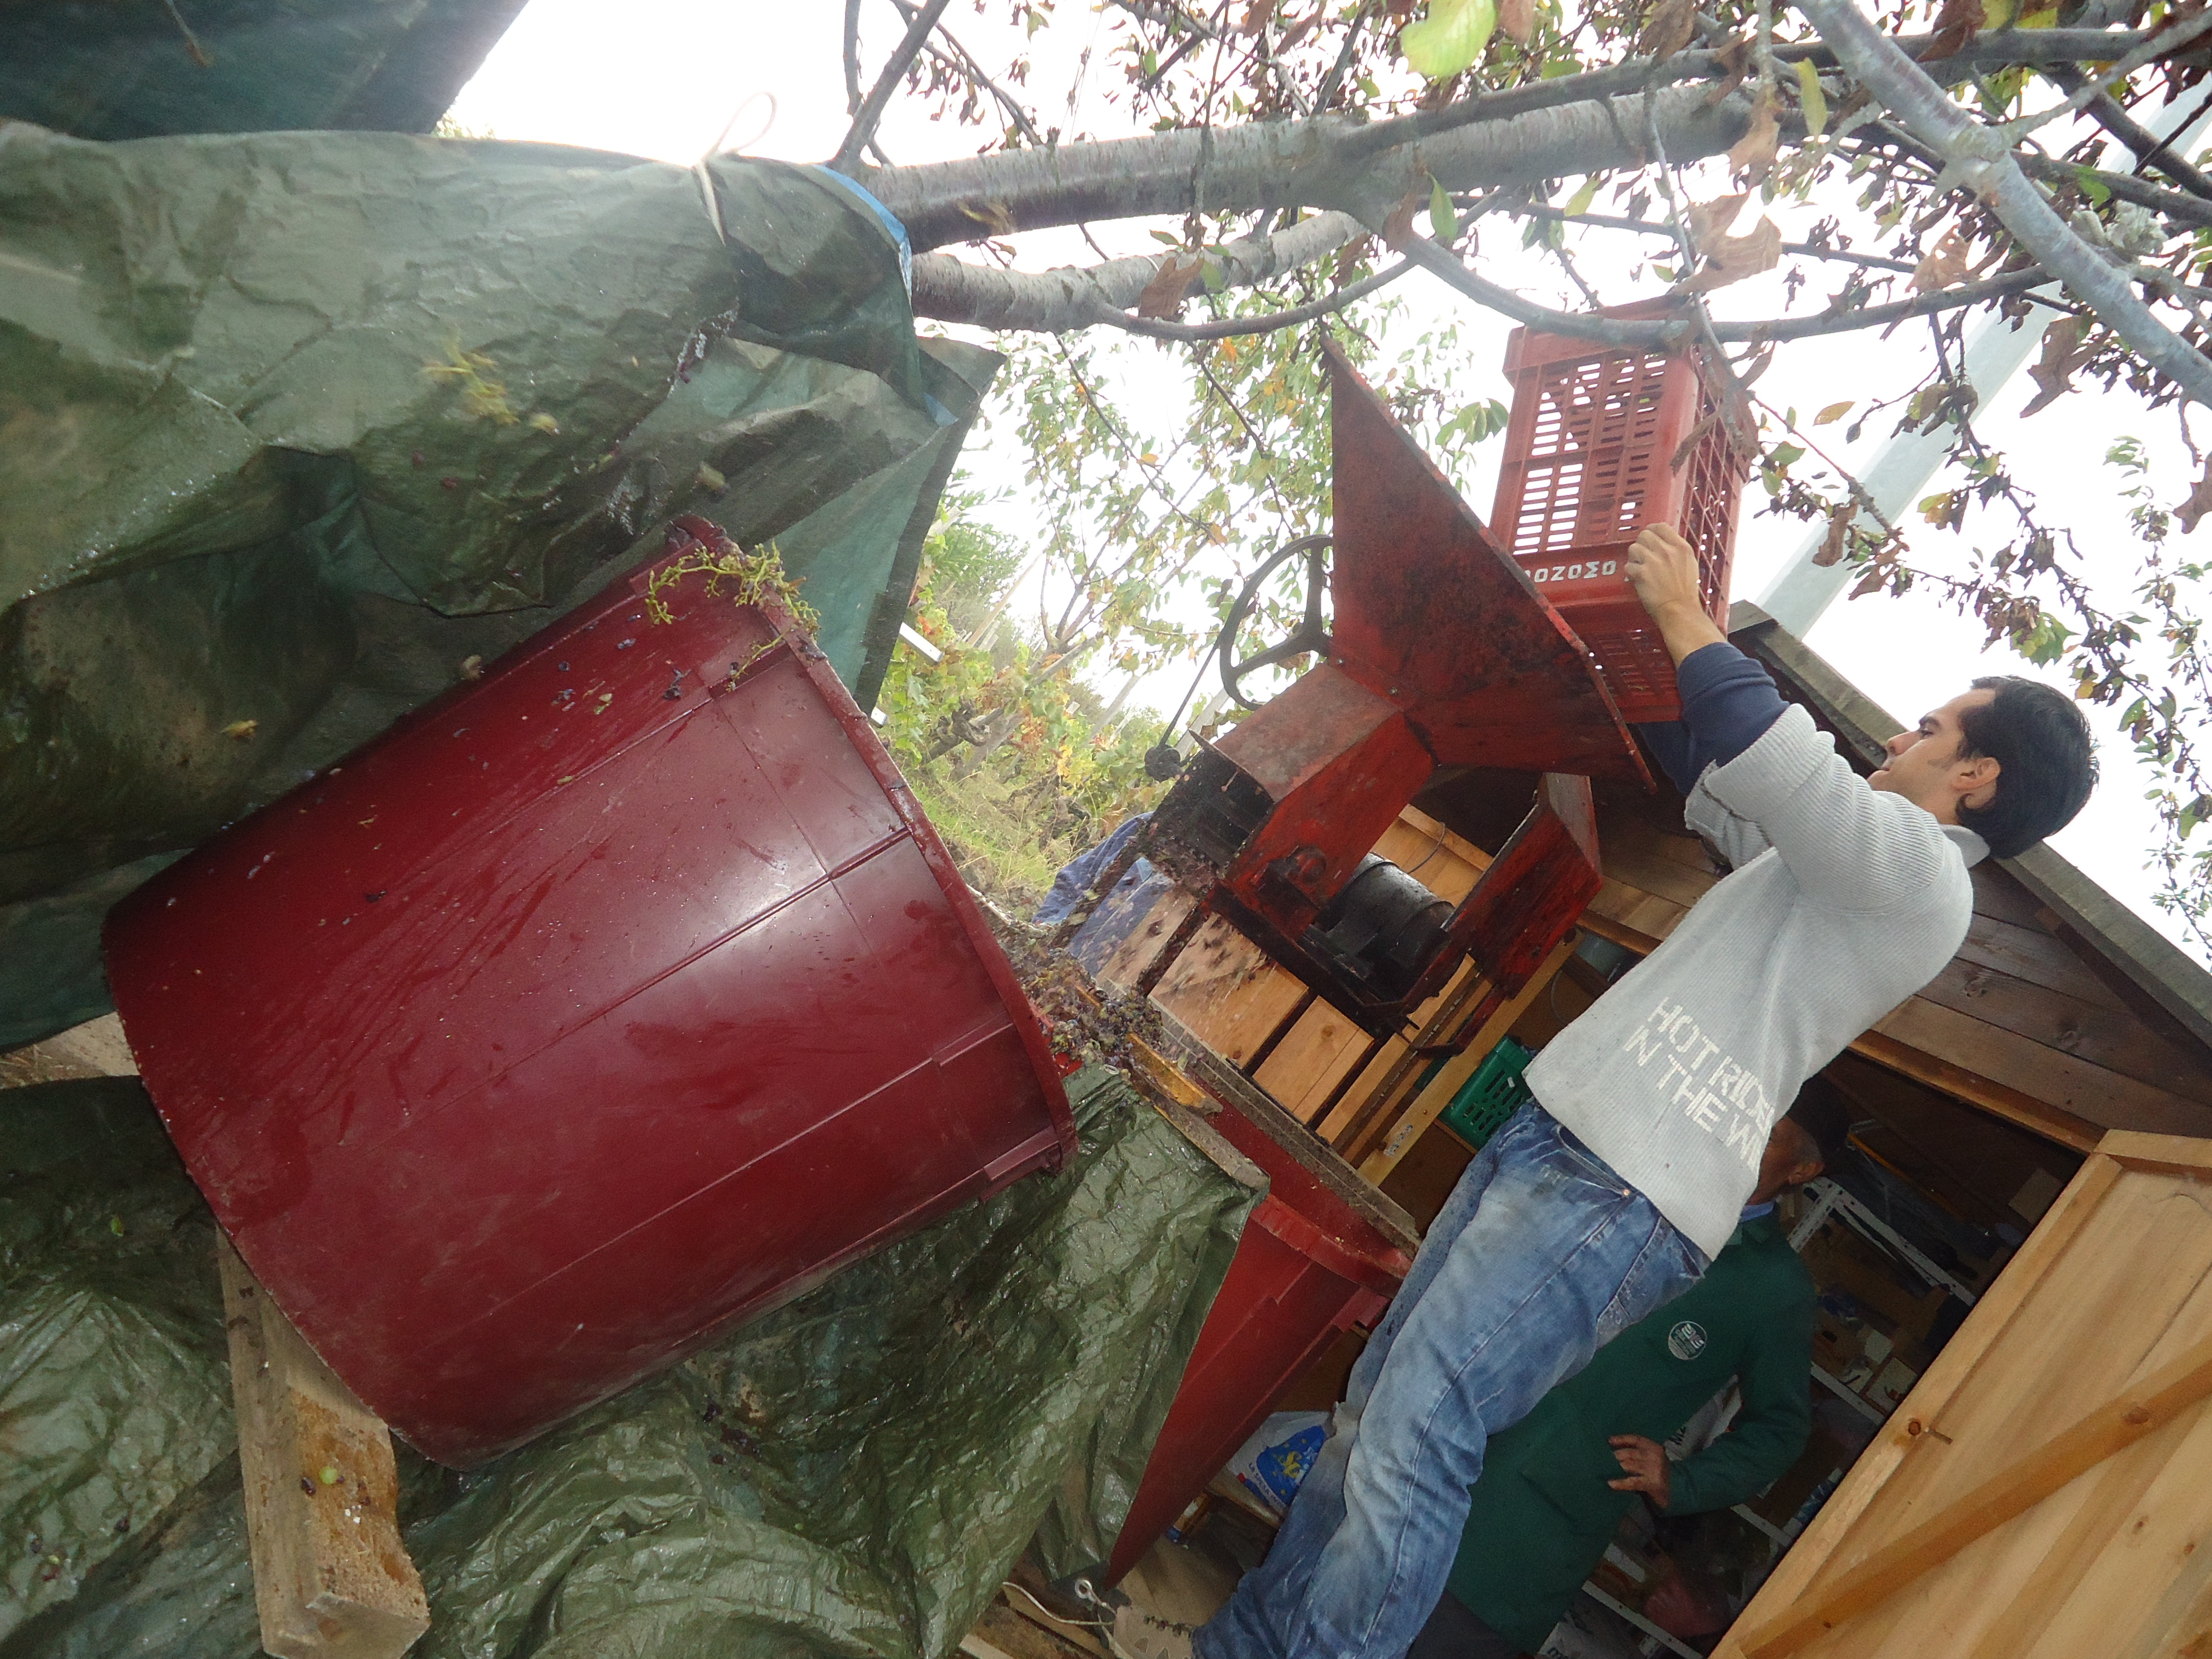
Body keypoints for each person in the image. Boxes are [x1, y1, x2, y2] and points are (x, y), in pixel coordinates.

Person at [1191, 523, 2096, 1659]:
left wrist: (1684, 612)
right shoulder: (1830, 868)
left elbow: (1777, 754)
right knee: (1376, 1416)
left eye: (1932, 729)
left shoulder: (1923, 881)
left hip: (1621, 1186)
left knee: (1418, 1434)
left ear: (1977, 777)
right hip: (1568, 1144)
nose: (1902, 737)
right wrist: (1616, 659)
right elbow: (1715, 768)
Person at [1406, 1109, 1833, 1659]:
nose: (1745, 1135)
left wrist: (1682, 1481)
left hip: (1524, 1528)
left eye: (1770, 1134)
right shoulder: (1640, 1182)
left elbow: (1781, 1427)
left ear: (1803, 1169)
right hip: (1438, 1441)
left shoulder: (1772, 1287)